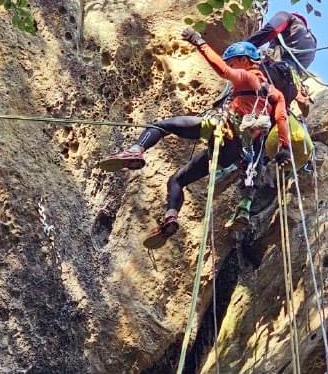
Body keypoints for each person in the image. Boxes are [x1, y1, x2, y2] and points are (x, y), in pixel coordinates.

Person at [98, 30, 292, 249]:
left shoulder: (248, 76)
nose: (231, 64)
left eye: (233, 61)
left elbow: (223, 71)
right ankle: (170, 219)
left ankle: (136, 150)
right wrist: (284, 148)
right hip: (234, 152)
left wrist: (199, 43)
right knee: (177, 180)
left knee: (160, 126)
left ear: (244, 60)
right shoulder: (276, 94)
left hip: (222, 129)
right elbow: (281, 118)